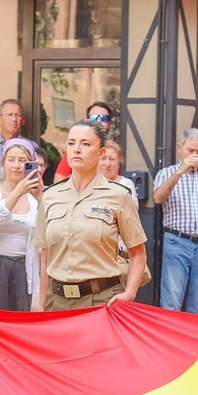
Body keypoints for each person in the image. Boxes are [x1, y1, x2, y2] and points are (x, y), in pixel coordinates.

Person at [33, 120, 147, 311]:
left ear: (101, 153)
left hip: (101, 301)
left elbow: (138, 253)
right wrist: (42, 303)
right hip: (57, 301)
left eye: (85, 144)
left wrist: (129, 293)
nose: (76, 149)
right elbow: (44, 255)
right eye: (71, 143)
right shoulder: (51, 195)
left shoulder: (118, 195)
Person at [151, 128, 198, 313]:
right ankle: (169, 341)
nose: (195, 155)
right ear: (180, 148)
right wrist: (180, 172)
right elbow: (158, 198)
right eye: (190, 151)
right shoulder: (166, 173)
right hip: (176, 241)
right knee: (171, 301)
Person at [0, 138, 41, 311]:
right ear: (3, 162)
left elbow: (45, 234)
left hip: (24, 267)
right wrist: (17, 193)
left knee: (19, 324)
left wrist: (41, 197)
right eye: (11, 159)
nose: (16, 165)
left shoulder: (34, 199)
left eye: (22, 161)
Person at [56, 103, 115, 179]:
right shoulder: (75, 150)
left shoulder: (114, 152)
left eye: (104, 118)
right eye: (94, 117)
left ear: (110, 123)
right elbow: (59, 178)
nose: (99, 121)